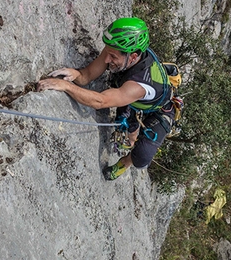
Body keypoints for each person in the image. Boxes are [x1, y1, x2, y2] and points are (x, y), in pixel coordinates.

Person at [37, 17, 175, 180]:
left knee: (142, 155)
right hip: (129, 98)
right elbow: (86, 75)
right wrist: (75, 74)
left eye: (113, 57)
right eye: (108, 52)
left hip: (160, 108)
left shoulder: (138, 85)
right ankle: (132, 133)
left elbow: (100, 101)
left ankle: (126, 161)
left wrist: (66, 86)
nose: (107, 59)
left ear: (133, 57)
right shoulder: (119, 50)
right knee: (128, 127)